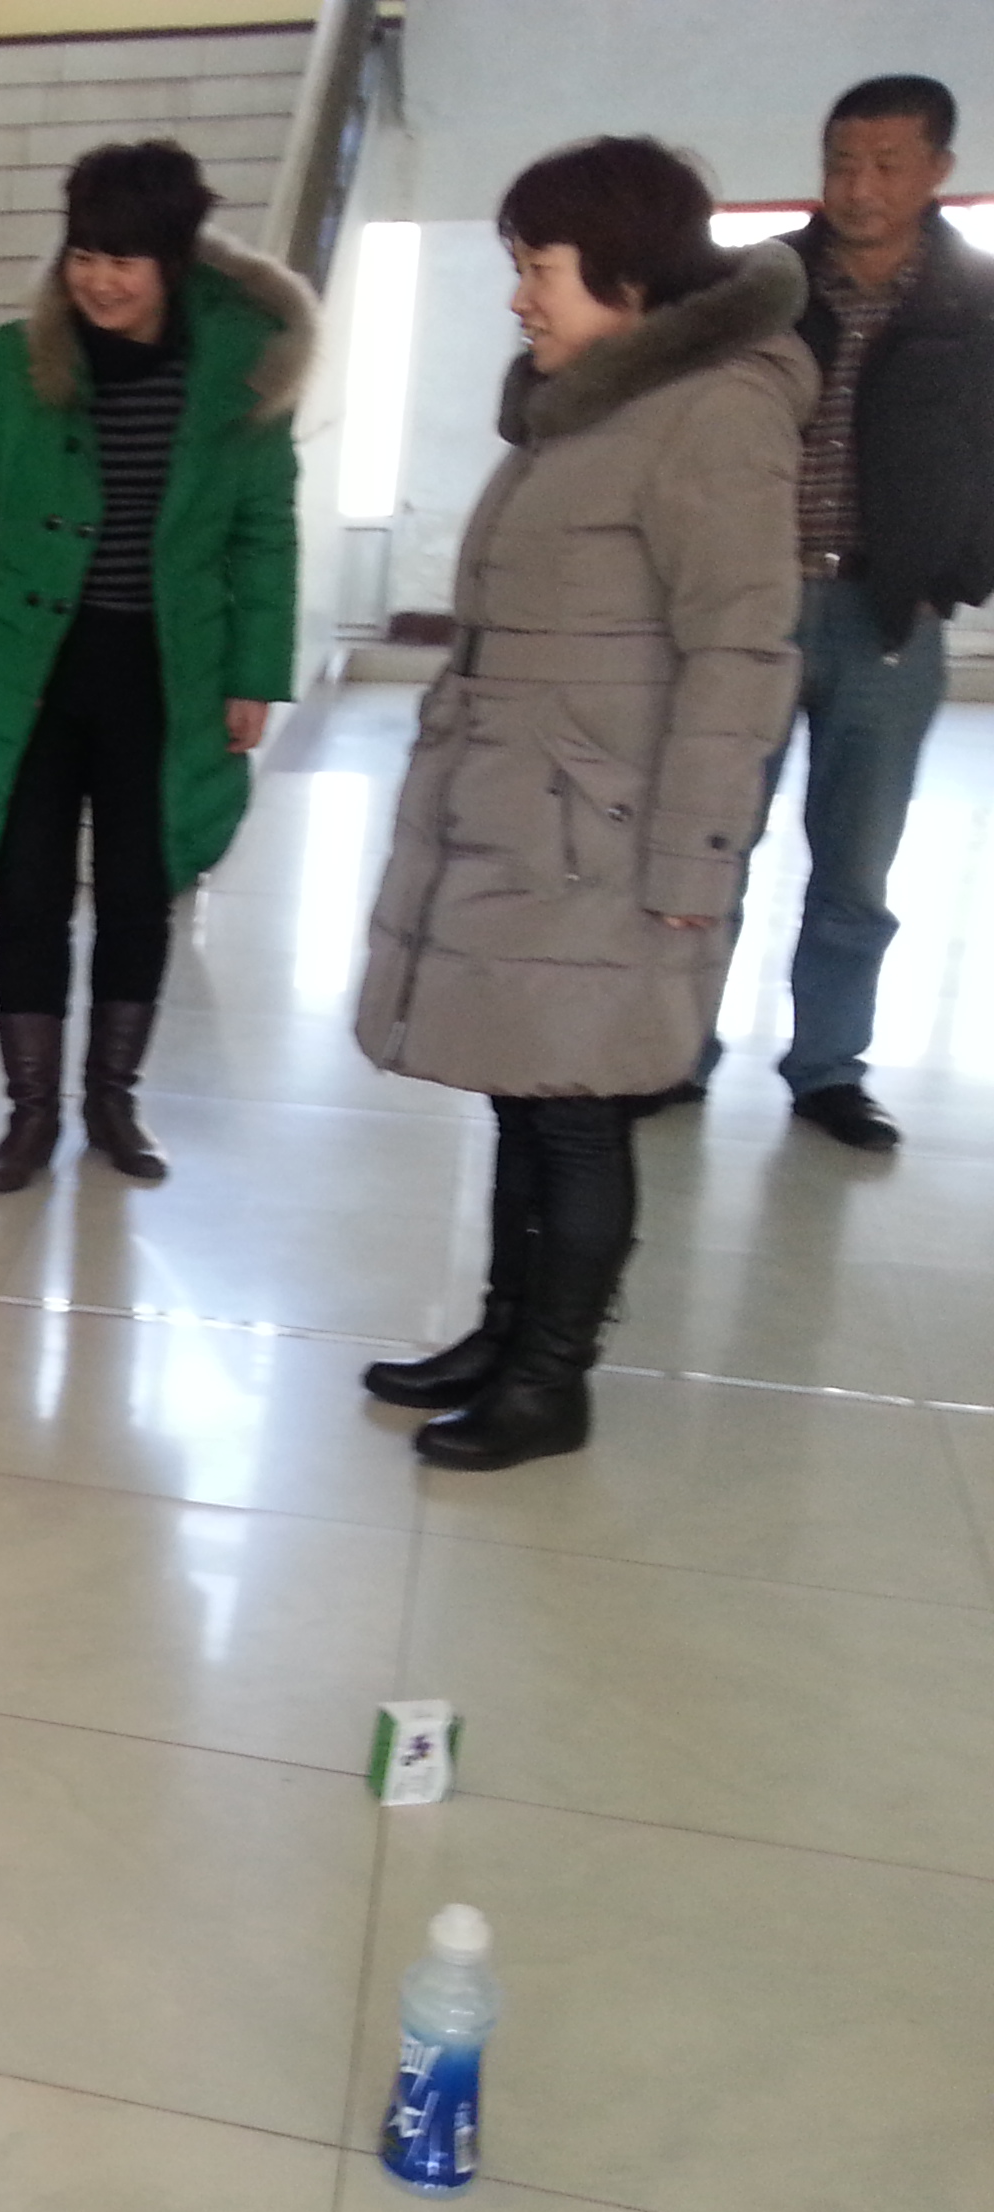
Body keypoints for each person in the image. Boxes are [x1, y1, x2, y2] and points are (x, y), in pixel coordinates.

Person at [356, 139, 815, 1470]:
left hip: (604, 837)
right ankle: (505, 1335)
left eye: (538, 269)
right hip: (530, 817)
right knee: (525, 1088)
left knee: (576, 1109)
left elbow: (740, 652)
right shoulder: (591, 405)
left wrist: (696, 860)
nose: (519, 298)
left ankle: (552, 1384)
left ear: (625, 273)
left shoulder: (712, 413)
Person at [0, 141, 316, 1193]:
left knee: (142, 892)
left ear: (173, 261)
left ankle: (113, 1104)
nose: (98, 280)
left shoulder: (241, 374)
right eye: (84, 254)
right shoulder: (12, 362)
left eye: (124, 261)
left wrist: (253, 674)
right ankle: (30, 1115)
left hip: (165, 677)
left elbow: (264, 534)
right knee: (28, 893)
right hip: (30, 673)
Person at [673, 76, 992, 1150]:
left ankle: (827, 1070)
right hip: (751, 608)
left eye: (887, 165)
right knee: (712, 841)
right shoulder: (759, 285)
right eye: (841, 163)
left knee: (856, 867)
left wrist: (955, 572)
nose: (859, 187)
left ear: (938, 171)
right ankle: (675, 1049)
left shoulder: (976, 303)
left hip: (885, 619)